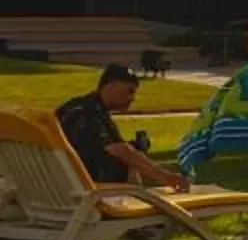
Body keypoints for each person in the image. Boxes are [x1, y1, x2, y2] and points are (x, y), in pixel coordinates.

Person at [57, 65, 189, 191]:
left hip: (63, 180)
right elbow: (121, 151)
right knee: (129, 162)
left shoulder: (74, 107)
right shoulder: (91, 112)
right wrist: (167, 177)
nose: (132, 98)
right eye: (129, 91)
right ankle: (137, 203)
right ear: (111, 85)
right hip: (87, 187)